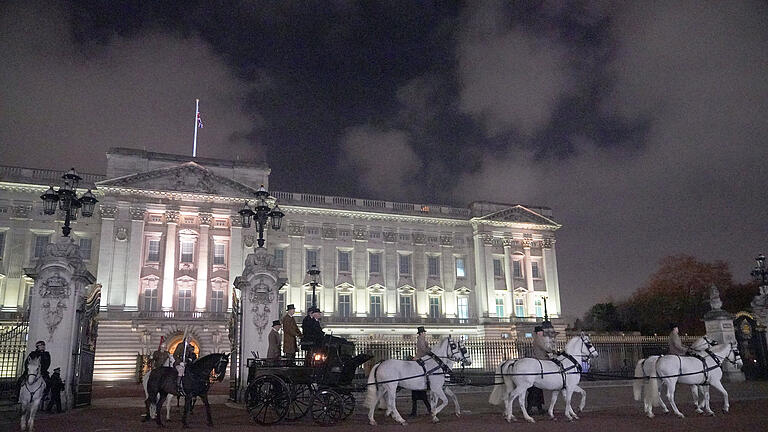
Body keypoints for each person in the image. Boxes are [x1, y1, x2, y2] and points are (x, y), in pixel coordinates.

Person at [528, 326, 553, 415]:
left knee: (538, 389)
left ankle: (539, 407)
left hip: (542, 358)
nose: (542, 333)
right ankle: (532, 408)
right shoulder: (538, 339)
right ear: (539, 332)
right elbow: (544, 348)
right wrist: (553, 351)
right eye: (541, 331)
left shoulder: (538, 338)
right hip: (541, 359)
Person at [410, 326, 432, 417]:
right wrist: (430, 351)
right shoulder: (421, 339)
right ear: (421, 333)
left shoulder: (421, 339)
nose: (425, 333)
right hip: (421, 357)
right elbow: (423, 349)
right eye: (424, 332)